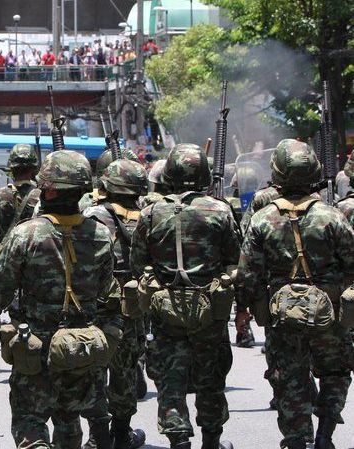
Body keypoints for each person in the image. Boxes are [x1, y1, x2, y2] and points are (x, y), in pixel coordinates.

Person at [0, 150, 117, 448]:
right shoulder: (100, 234)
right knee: (70, 416)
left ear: (48, 189)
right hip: (81, 346)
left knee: (30, 420)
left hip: (35, 346)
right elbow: (107, 292)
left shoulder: (26, 234)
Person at [238, 139, 354, 449]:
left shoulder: (262, 220)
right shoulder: (333, 217)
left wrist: (246, 311)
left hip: (282, 316)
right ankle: (324, 435)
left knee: (289, 380)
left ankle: (297, 440)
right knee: (335, 372)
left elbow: (249, 275)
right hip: (329, 314)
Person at [130, 144, 240, 449]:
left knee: (171, 383)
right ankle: (211, 442)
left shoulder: (150, 213)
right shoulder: (220, 210)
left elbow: (138, 262)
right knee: (211, 380)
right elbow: (236, 259)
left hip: (165, 312)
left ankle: (178, 441)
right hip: (209, 312)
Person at [82, 160, 148, 449]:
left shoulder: (92, 215)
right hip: (132, 305)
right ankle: (122, 433)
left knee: (95, 370)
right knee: (126, 370)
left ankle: (97, 435)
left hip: (96, 304)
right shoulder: (149, 215)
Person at [0, 144, 40, 265]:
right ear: (34, 169)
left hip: (6, 260)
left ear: (11, 169)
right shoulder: (40, 195)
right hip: (34, 258)